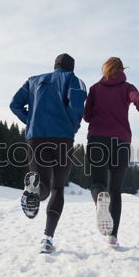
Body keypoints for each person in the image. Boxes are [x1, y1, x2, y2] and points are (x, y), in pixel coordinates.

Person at [10, 53, 87, 253]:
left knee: (42, 183)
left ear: (54, 66)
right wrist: (71, 125)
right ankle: (47, 238)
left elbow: (14, 104)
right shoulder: (74, 80)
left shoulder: (33, 81)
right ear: (72, 67)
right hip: (63, 138)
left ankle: (35, 189)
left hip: (36, 137)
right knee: (58, 188)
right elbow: (77, 106)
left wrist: (30, 120)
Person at [84, 57, 139, 248]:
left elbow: (86, 116)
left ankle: (100, 201)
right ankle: (112, 237)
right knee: (115, 189)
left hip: (97, 139)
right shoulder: (127, 87)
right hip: (121, 142)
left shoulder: (95, 88)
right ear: (121, 69)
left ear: (105, 69)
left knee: (98, 183)